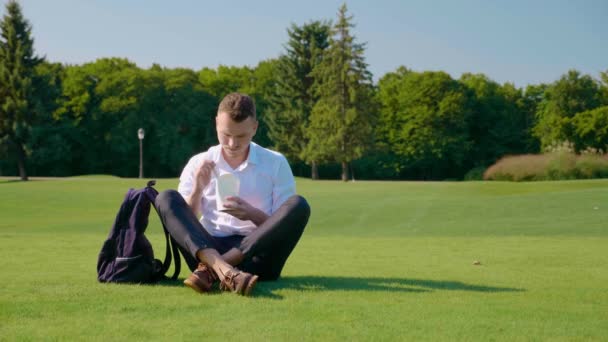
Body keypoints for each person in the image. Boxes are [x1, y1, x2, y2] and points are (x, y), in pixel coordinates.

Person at [155, 92, 310, 296]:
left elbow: (281, 227)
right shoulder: (199, 162)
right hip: (208, 249)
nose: (232, 144)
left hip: (257, 257)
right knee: (165, 197)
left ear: (254, 127)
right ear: (216, 123)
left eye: (241, 136)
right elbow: (184, 226)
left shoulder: (275, 162)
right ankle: (224, 269)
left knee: (299, 205)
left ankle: (216, 270)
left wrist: (251, 214)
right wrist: (198, 189)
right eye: (226, 135)